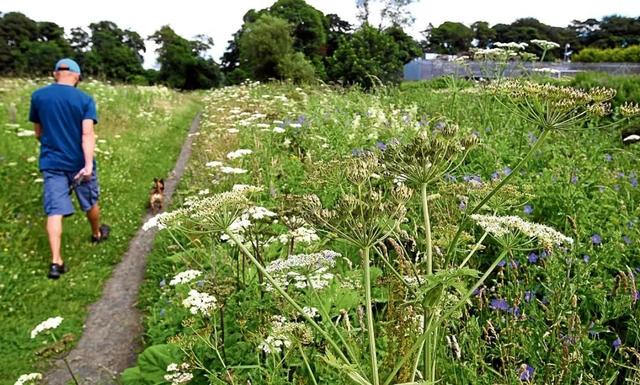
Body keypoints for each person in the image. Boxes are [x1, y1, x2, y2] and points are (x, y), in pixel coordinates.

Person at [29, 58, 110, 279]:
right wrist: (88, 165)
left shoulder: (38, 97)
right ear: (76, 76)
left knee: (54, 210)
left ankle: (56, 261)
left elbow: (38, 133)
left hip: (52, 163)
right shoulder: (84, 99)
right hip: (78, 163)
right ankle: (96, 233)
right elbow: (87, 134)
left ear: (56, 74)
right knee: (90, 201)